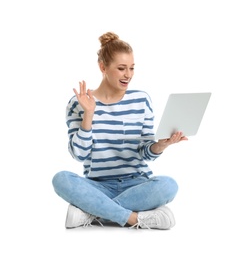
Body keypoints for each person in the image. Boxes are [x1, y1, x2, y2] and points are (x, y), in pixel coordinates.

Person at [52, 31, 188, 230]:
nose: (129, 75)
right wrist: (89, 114)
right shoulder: (78, 104)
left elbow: (145, 152)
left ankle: (91, 211)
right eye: (122, 68)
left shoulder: (141, 100)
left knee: (168, 185)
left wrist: (161, 145)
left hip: (137, 184)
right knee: (61, 179)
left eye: (132, 68)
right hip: (97, 186)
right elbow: (79, 155)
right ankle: (134, 218)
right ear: (103, 67)